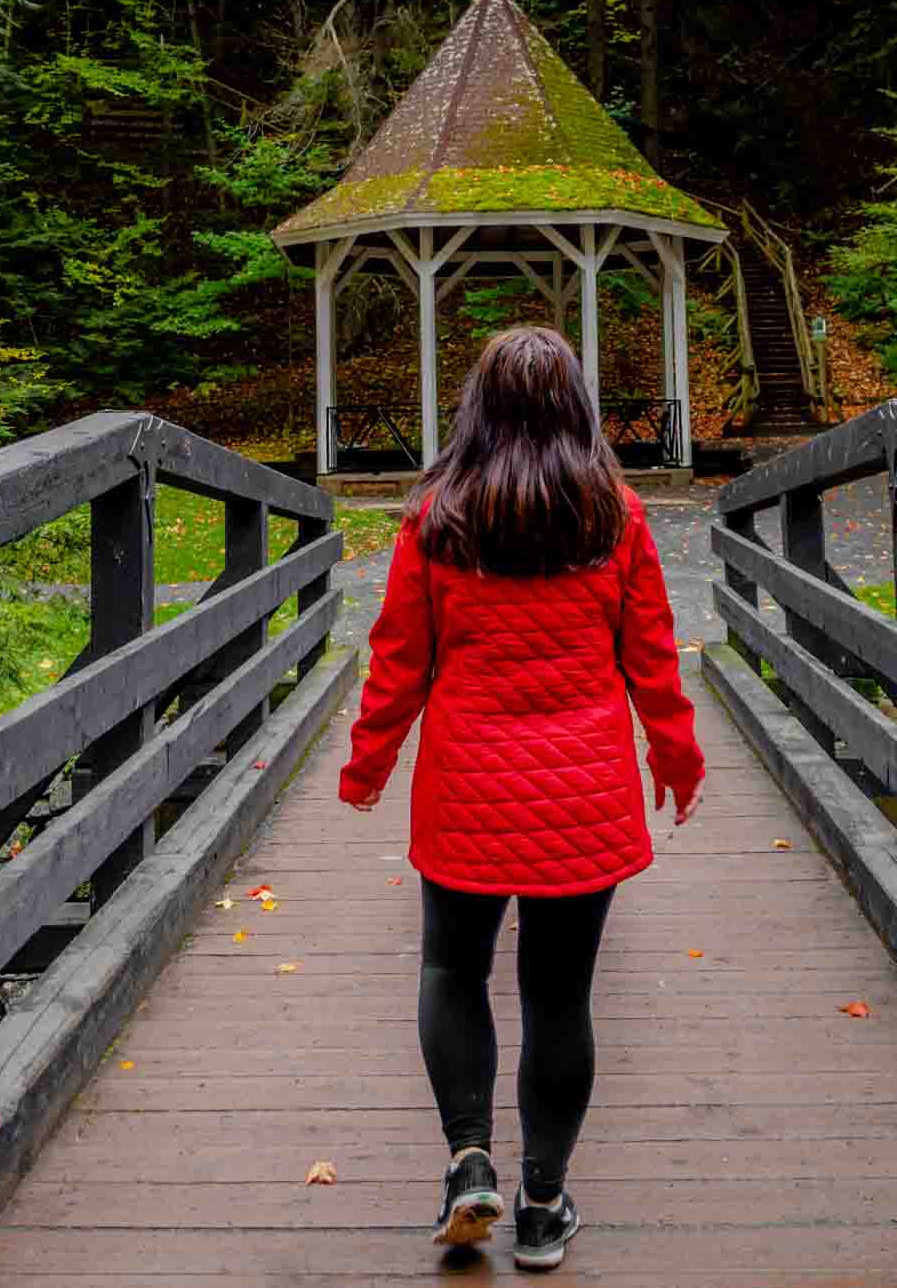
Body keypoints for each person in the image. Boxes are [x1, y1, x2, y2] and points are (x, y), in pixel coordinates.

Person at [338, 324, 706, 1272]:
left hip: (467, 789)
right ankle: (542, 1203)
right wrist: (676, 755)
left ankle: (469, 1164)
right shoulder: (616, 515)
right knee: (558, 994)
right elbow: (653, 657)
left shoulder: (439, 516)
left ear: (477, 410)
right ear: (577, 408)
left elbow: (398, 661)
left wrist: (369, 763)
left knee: (452, 972)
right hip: (584, 797)